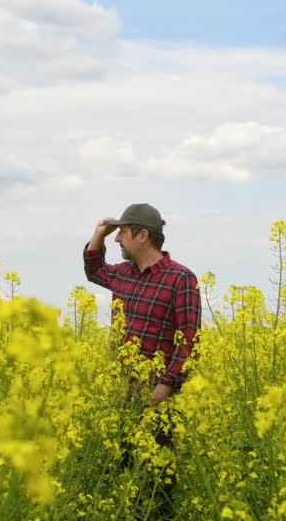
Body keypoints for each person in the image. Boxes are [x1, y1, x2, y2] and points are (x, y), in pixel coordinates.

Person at [83, 203, 201, 519]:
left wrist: (160, 392)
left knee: (155, 490)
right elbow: (93, 269)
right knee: (117, 479)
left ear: (143, 235)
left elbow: (190, 342)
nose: (118, 238)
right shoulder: (123, 275)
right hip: (121, 394)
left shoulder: (181, 279)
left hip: (157, 399)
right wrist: (99, 235)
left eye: (123, 231)